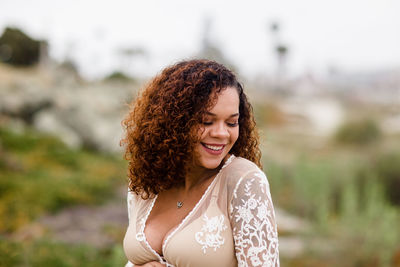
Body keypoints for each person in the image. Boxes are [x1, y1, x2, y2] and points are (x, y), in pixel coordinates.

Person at [121, 59, 279, 267]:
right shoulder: (147, 184)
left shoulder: (243, 181)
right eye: (206, 121)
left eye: (232, 123)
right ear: (174, 122)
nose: (221, 133)